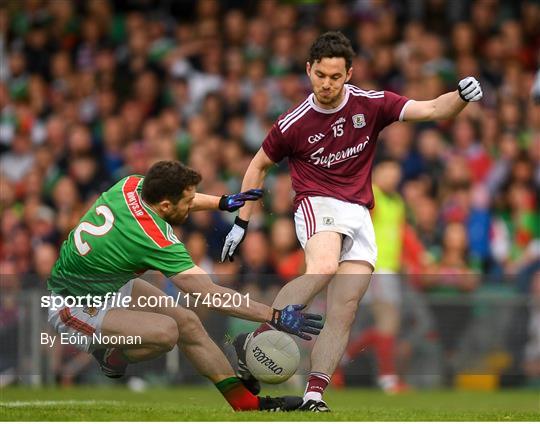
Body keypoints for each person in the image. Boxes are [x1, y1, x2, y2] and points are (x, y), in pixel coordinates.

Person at [222, 31, 483, 412]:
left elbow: (432, 109)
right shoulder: (293, 123)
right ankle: (257, 338)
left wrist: (460, 97)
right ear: (308, 70)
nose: (326, 84)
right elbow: (257, 165)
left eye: (335, 77)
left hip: (359, 214)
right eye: (320, 75)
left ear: (349, 74)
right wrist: (242, 221)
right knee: (324, 266)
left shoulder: (372, 103)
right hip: (316, 202)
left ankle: (314, 395)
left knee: (344, 309)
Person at [47, 160, 323, 412]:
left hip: (106, 284)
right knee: (168, 332)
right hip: (72, 306)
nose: (192, 205)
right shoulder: (154, 238)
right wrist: (275, 316)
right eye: (188, 201)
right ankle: (112, 358)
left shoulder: (132, 184)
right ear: (166, 206)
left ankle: (246, 403)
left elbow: (176, 197)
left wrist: (222, 202)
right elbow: (212, 296)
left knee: (187, 322)